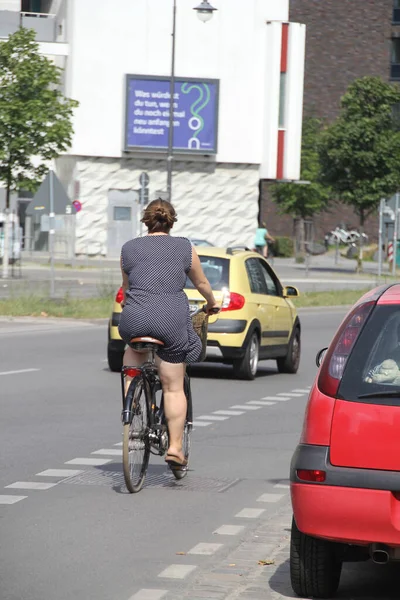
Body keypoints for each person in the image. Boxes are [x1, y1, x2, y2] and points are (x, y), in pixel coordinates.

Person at [118, 199, 219, 468]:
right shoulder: (185, 247)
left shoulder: (128, 248)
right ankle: (175, 448)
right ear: (171, 221)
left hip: (135, 318)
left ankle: (133, 398)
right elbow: (201, 283)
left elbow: (126, 288)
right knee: (173, 387)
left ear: (145, 220)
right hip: (170, 320)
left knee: (132, 351)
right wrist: (212, 303)